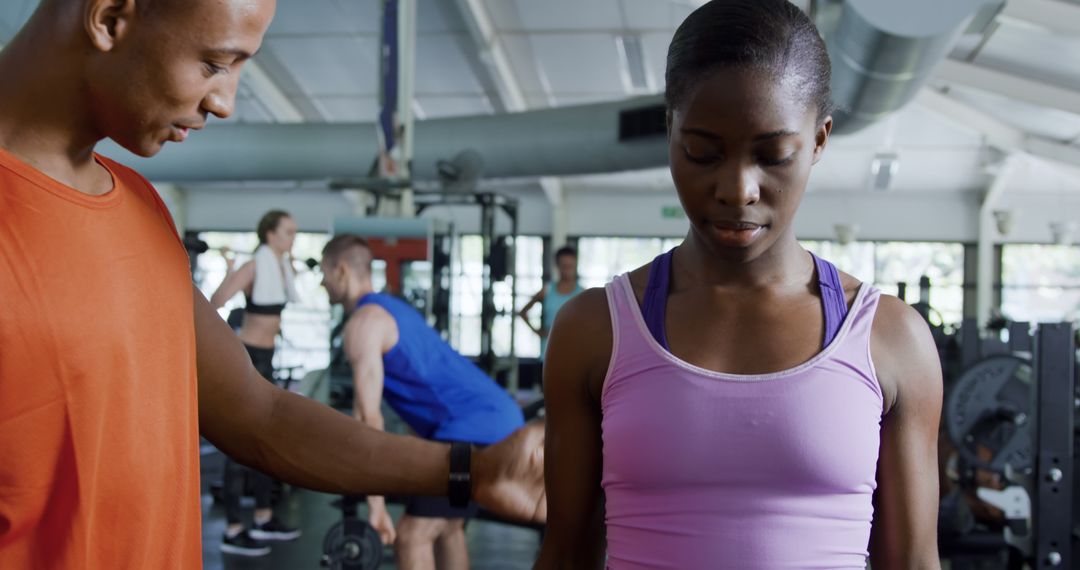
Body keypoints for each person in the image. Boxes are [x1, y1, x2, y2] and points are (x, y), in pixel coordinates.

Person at [0, 1, 543, 568]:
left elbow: (261, 416)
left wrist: (473, 471)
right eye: (214, 63)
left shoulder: (139, 208)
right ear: (111, 18)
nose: (225, 102)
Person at [535, 1, 942, 568]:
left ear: (820, 141)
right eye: (702, 152)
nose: (738, 189)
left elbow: (915, 563)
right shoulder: (593, 331)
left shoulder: (891, 339)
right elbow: (565, 553)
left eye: (773, 155)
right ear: (669, 130)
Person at [320, 235, 526, 570]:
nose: (322, 282)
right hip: (499, 421)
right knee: (448, 528)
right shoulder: (393, 308)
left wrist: (376, 506)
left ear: (341, 270)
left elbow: (368, 421)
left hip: (474, 429)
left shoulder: (363, 325)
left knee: (412, 536)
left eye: (325, 273)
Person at [209, 210, 302, 555]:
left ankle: (263, 518)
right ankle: (233, 529)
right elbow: (215, 303)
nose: (293, 237)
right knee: (240, 441)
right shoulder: (254, 266)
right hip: (248, 357)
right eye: (288, 232)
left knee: (264, 439)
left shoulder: (280, 267)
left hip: (268, 359)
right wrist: (231, 271)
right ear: (271, 235)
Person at [517, 246, 583, 358]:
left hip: (574, 354)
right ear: (558, 266)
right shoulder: (547, 290)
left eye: (570, 266)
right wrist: (538, 332)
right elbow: (523, 312)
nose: (567, 270)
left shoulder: (582, 293)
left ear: (575, 265)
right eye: (564, 266)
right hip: (548, 354)